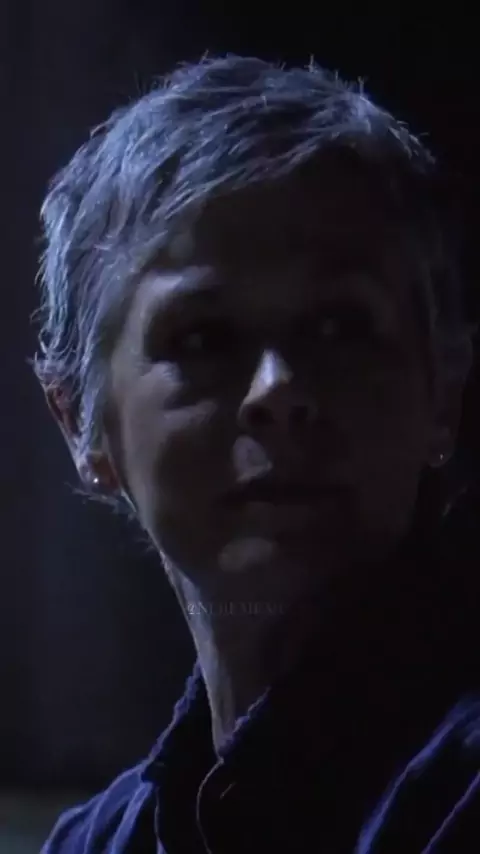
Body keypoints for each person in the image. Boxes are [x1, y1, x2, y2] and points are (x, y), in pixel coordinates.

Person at [34, 54, 480, 853]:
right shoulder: (95, 844)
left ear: (444, 389)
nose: (278, 390)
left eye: (339, 326)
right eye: (203, 338)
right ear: (82, 426)